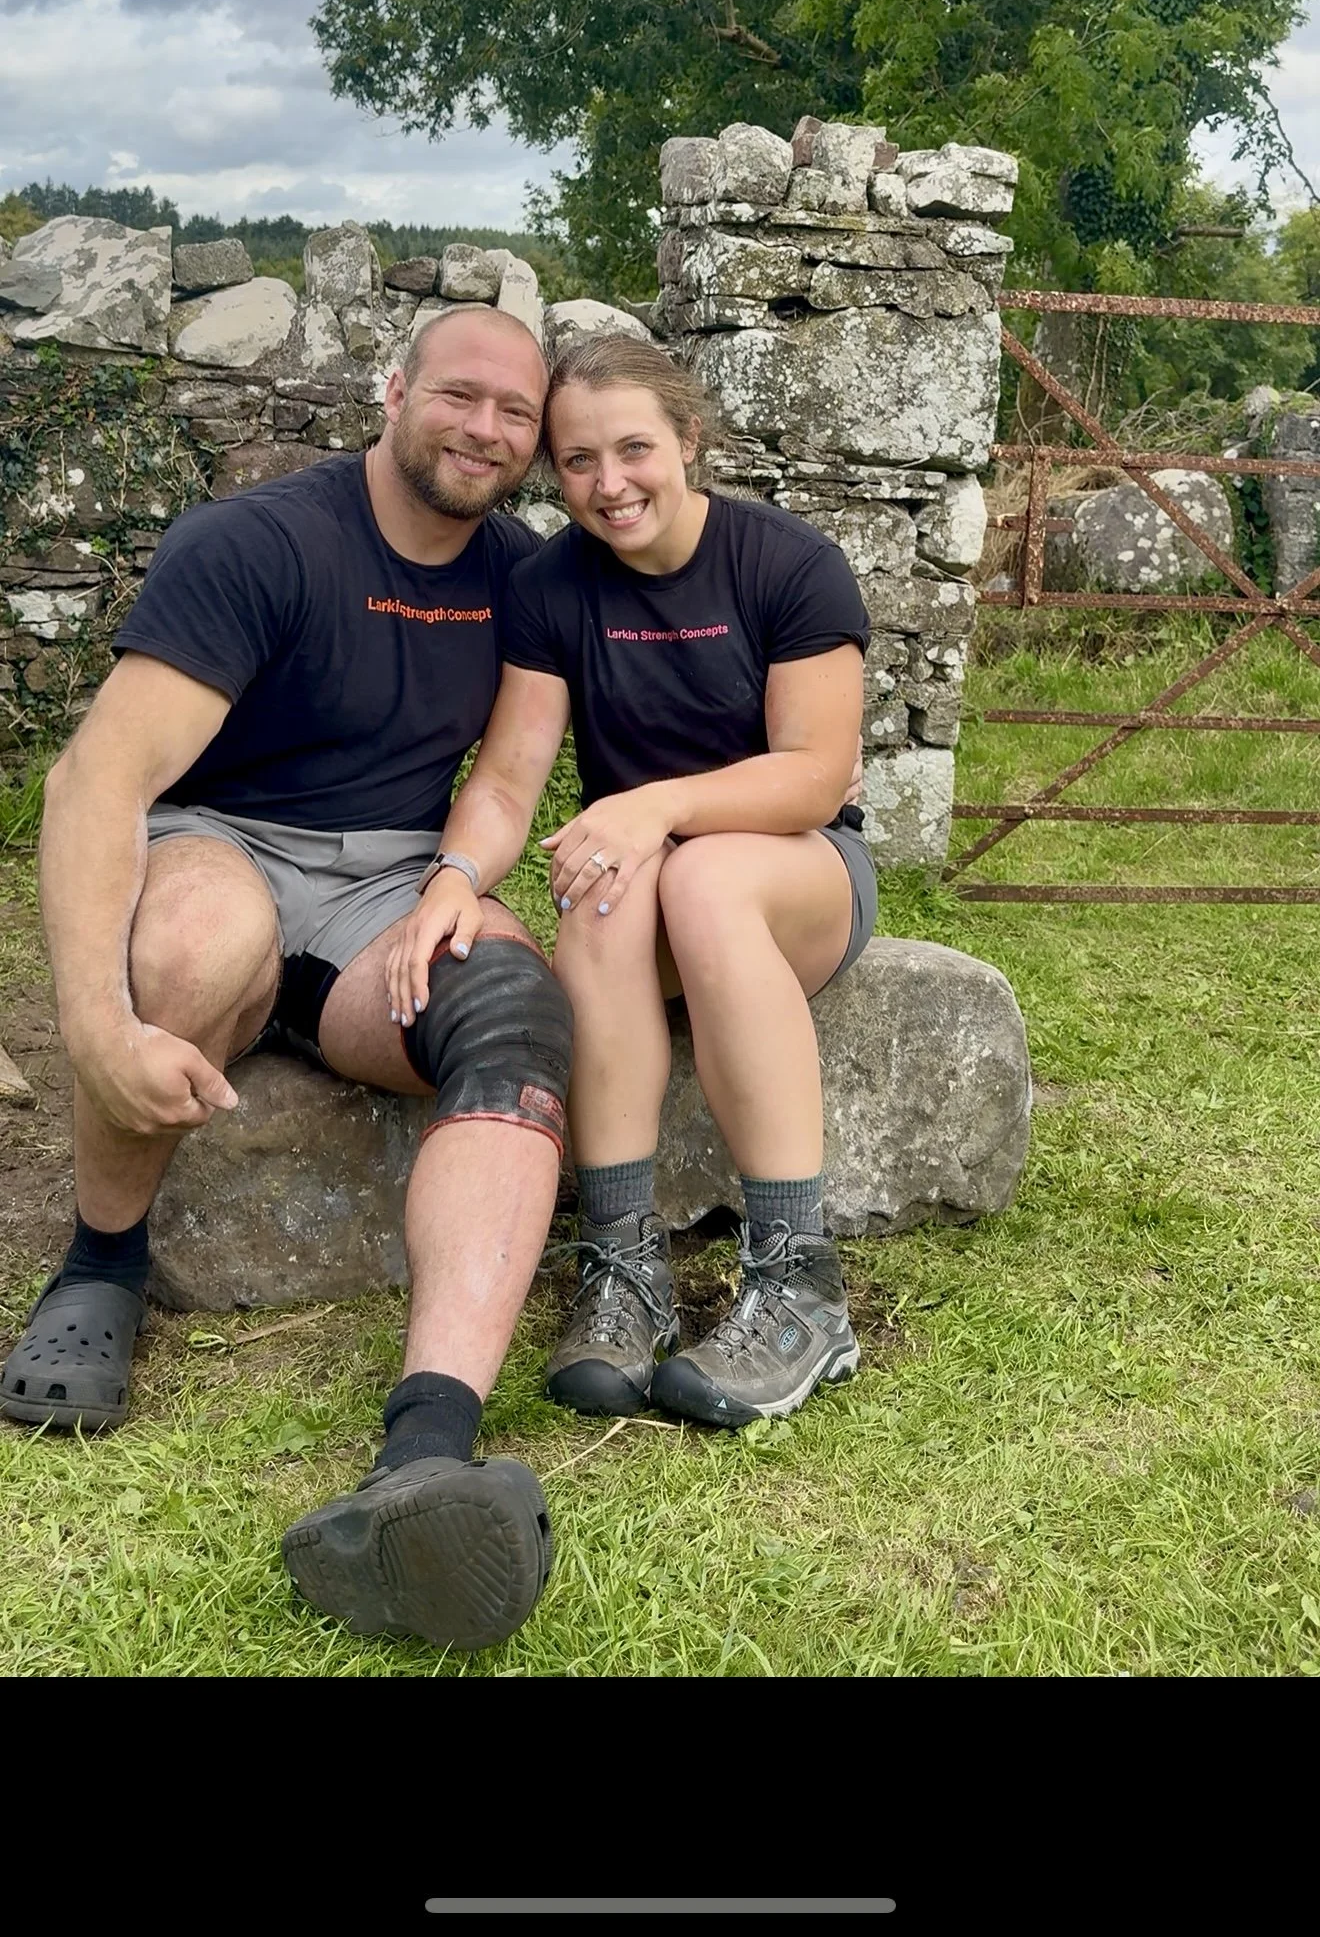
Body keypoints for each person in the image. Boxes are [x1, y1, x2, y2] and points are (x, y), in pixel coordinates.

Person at [0, 305, 575, 1656]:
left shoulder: (523, 577)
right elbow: (97, 784)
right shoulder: (261, 542)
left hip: (390, 887)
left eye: (516, 414)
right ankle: (103, 1264)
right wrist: (92, 1023)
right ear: (394, 386)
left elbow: (513, 771)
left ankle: (426, 1454)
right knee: (194, 946)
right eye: (461, 395)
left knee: (513, 1005)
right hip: (221, 840)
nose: (486, 429)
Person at [386, 331, 878, 1430]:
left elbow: (813, 776)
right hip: (649, 881)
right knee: (598, 898)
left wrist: (657, 807)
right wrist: (457, 875)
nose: (609, 486)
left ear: (689, 440)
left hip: (798, 874)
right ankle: (623, 1267)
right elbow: (511, 773)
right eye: (575, 462)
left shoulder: (787, 563)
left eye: (635, 450)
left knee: (698, 882)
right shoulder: (552, 584)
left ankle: (800, 1288)